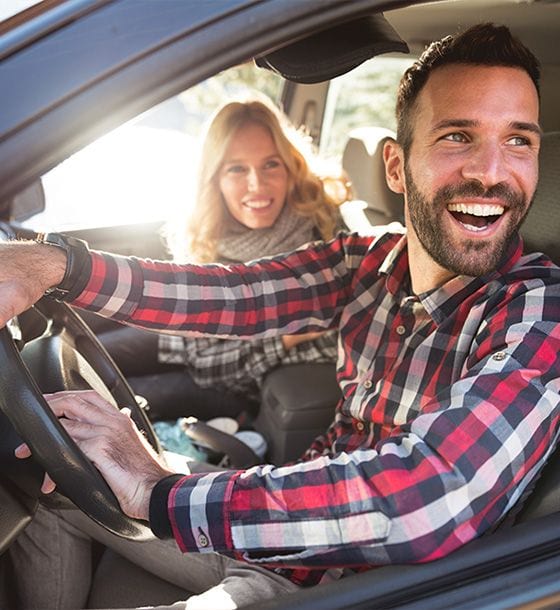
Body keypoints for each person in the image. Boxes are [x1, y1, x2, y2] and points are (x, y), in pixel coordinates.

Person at [2, 22, 560, 610]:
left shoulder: (539, 315)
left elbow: (425, 499)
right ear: (396, 167)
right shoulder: (370, 262)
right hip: (281, 521)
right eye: (456, 137)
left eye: (519, 141)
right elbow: (225, 295)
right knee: (55, 482)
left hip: (366, 580)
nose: (492, 172)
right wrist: (54, 267)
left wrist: (159, 490)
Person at [82, 97, 345, 422]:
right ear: (215, 177)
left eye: (271, 164)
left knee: (113, 398)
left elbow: (212, 367)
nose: (256, 184)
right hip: (189, 341)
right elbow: (196, 340)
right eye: (237, 168)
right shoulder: (211, 228)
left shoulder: (326, 233)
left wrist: (288, 338)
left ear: (291, 168)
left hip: (237, 385)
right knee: (87, 353)